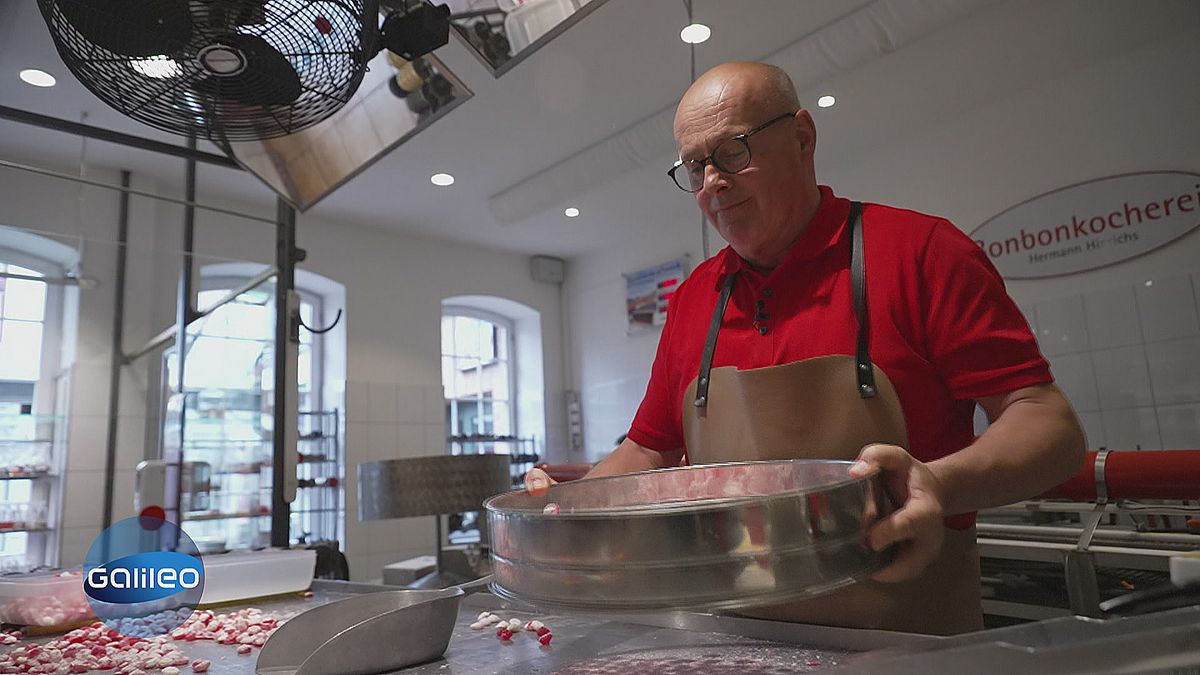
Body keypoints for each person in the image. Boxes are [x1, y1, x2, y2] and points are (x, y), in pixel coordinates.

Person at [525, 62, 1086, 634]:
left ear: (802, 137)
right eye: (696, 166)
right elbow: (647, 453)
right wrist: (563, 512)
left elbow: (1047, 423)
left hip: (912, 640)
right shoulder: (695, 298)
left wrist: (938, 483)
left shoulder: (922, 252)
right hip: (740, 642)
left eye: (734, 151)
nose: (713, 181)